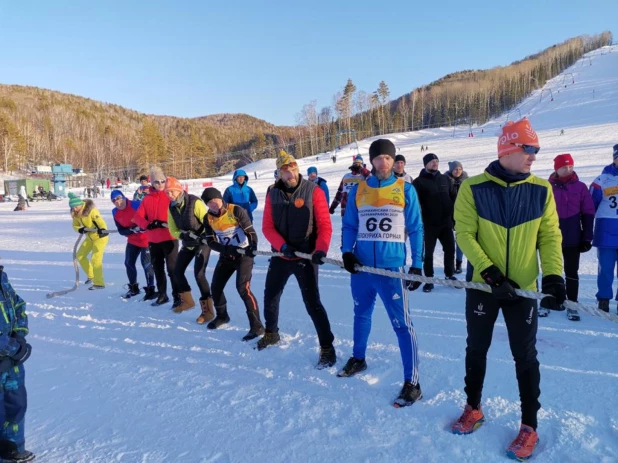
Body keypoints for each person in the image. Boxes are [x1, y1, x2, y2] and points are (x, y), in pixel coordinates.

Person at [451, 118, 565, 461]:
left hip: (524, 290)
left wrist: (555, 277)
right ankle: (473, 408)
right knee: (477, 348)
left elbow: (549, 236)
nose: (534, 156)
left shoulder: (542, 189)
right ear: (508, 149)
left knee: (525, 356)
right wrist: (491, 276)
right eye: (529, 149)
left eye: (536, 150)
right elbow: (464, 234)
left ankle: (529, 426)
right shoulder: (473, 188)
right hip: (484, 287)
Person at [339, 139, 425, 407]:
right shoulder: (360, 189)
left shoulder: (405, 189)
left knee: (402, 325)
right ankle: (358, 358)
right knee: (361, 314)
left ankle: (412, 382)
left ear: (393, 160)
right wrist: (346, 251)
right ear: (372, 161)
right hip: (362, 267)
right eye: (379, 158)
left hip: (391, 268)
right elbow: (350, 224)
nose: (384, 162)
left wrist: (417, 263)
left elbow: (416, 228)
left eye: (388, 158)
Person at [259, 150, 336, 368]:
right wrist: (282, 246)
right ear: (278, 174)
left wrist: (320, 249)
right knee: (271, 296)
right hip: (282, 254)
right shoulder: (271, 192)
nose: (290, 174)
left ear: (298, 169)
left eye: (292, 169)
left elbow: (324, 225)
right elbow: (267, 227)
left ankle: (327, 347)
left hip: (306, 255)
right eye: (285, 171)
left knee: (312, 303)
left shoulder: (314, 191)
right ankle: (271, 333)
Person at [201, 187, 265, 340]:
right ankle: (222, 316)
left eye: (215, 200)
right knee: (215, 287)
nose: (214, 204)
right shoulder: (207, 218)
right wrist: (226, 249)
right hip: (227, 255)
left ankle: (257, 327)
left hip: (244, 255)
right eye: (209, 203)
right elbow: (210, 241)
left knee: (243, 288)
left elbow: (250, 231)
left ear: (221, 198)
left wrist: (252, 247)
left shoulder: (236, 210)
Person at [548, 154, 594, 320]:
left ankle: (572, 303)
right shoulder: (547, 187)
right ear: (556, 169)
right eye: (564, 167)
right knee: (551, 270)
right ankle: (549, 300)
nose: (568, 169)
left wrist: (587, 237)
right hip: (551, 237)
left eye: (570, 166)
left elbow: (588, 213)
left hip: (573, 237)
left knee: (571, 271)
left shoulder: (580, 187)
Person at [0, 265, 35, 462]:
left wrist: (20, 337)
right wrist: (13, 348)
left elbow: (18, 305)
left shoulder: (2, 277)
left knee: (16, 404)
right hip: (8, 353)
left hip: (11, 361)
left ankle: (12, 449)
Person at [133, 166, 181, 307]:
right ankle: (162, 294)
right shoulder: (147, 199)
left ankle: (177, 295)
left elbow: (179, 214)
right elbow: (138, 217)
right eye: (156, 182)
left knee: (172, 269)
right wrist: (148, 225)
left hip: (170, 237)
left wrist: (164, 223)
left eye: (162, 181)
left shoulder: (170, 195)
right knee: (158, 268)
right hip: (153, 240)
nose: (160, 184)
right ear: (151, 183)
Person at [165, 177, 212, 315]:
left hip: (202, 243)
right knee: (177, 271)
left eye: (172, 192)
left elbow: (208, 222)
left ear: (179, 190)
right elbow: (172, 229)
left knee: (199, 274)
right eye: (167, 193)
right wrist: (182, 235)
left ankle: (208, 310)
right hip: (188, 243)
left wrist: (204, 235)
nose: (170, 195)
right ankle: (187, 301)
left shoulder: (194, 202)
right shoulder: (171, 207)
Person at [413, 153, 458, 292]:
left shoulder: (445, 179)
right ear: (425, 164)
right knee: (428, 253)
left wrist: (454, 218)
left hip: (446, 223)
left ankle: (449, 275)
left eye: (436, 161)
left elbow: (454, 198)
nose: (435, 163)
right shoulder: (419, 182)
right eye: (432, 161)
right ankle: (429, 279)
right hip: (429, 224)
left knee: (450, 249)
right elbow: (415, 204)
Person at [111, 190, 156, 301]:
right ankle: (133, 288)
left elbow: (149, 218)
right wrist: (131, 230)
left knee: (146, 263)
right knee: (128, 263)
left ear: (124, 197)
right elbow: (121, 231)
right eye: (114, 200)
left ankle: (151, 289)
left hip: (146, 239)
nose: (117, 202)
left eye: (119, 198)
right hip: (132, 240)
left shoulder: (136, 205)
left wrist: (143, 226)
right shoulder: (115, 212)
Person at [589, 144, 618, 313]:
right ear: (614, 158)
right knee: (606, 268)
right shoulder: (602, 179)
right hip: (607, 231)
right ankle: (603, 299)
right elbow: (590, 205)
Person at [69, 193, 110, 290]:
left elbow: (100, 221)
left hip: (100, 237)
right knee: (80, 255)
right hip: (90, 237)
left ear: (80, 204)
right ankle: (91, 275)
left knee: (96, 259)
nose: (74, 209)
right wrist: (80, 229)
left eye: (76, 206)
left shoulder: (91, 211)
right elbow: (75, 225)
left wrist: (103, 229)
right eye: (72, 207)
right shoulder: (76, 214)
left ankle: (99, 283)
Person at [445, 161, 469, 274]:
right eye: (455, 169)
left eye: (459, 169)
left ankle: (458, 263)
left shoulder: (466, 181)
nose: (458, 171)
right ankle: (449, 265)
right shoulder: (445, 180)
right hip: (448, 214)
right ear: (451, 170)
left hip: (462, 214)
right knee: (449, 241)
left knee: (460, 239)